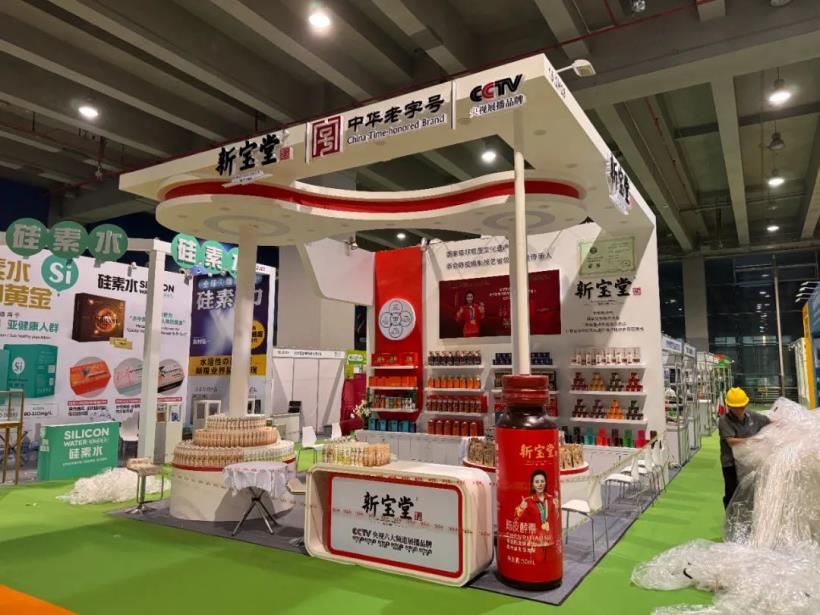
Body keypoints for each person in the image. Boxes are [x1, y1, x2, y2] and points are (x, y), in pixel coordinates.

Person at [718, 387, 771, 509]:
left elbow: (769, 422)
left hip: (750, 462)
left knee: (749, 491)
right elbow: (731, 441)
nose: (738, 410)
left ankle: (746, 515)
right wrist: (753, 441)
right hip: (730, 463)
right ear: (729, 406)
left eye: (741, 407)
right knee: (731, 492)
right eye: (735, 408)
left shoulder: (753, 416)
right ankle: (730, 515)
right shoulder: (724, 420)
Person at [514, 469, 559, 561]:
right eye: (537, 482)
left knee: (550, 563)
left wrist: (557, 508)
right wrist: (521, 508)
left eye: (542, 481)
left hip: (550, 541)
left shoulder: (551, 500)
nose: (540, 484)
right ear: (533, 485)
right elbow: (516, 521)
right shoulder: (527, 501)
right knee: (538, 562)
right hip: (535, 542)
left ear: (545, 483)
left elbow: (556, 519)